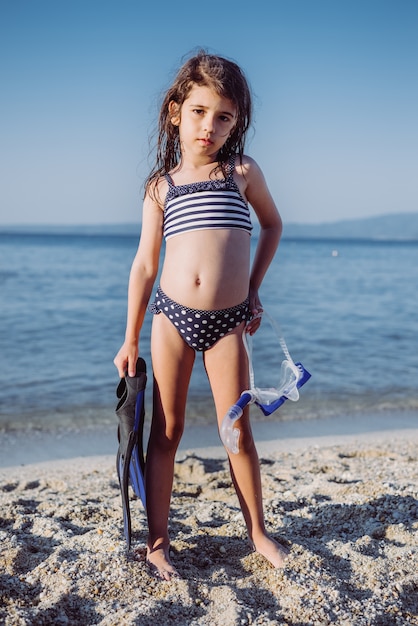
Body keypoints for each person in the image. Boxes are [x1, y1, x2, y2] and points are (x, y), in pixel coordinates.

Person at [114, 50, 289, 580]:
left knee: (236, 431)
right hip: (170, 318)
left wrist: (253, 290)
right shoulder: (160, 187)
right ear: (175, 111)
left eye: (224, 117)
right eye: (198, 112)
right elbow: (145, 265)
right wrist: (129, 339)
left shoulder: (241, 172)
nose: (209, 127)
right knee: (166, 432)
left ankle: (258, 533)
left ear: (237, 122)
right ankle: (158, 542)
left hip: (228, 322)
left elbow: (273, 226)